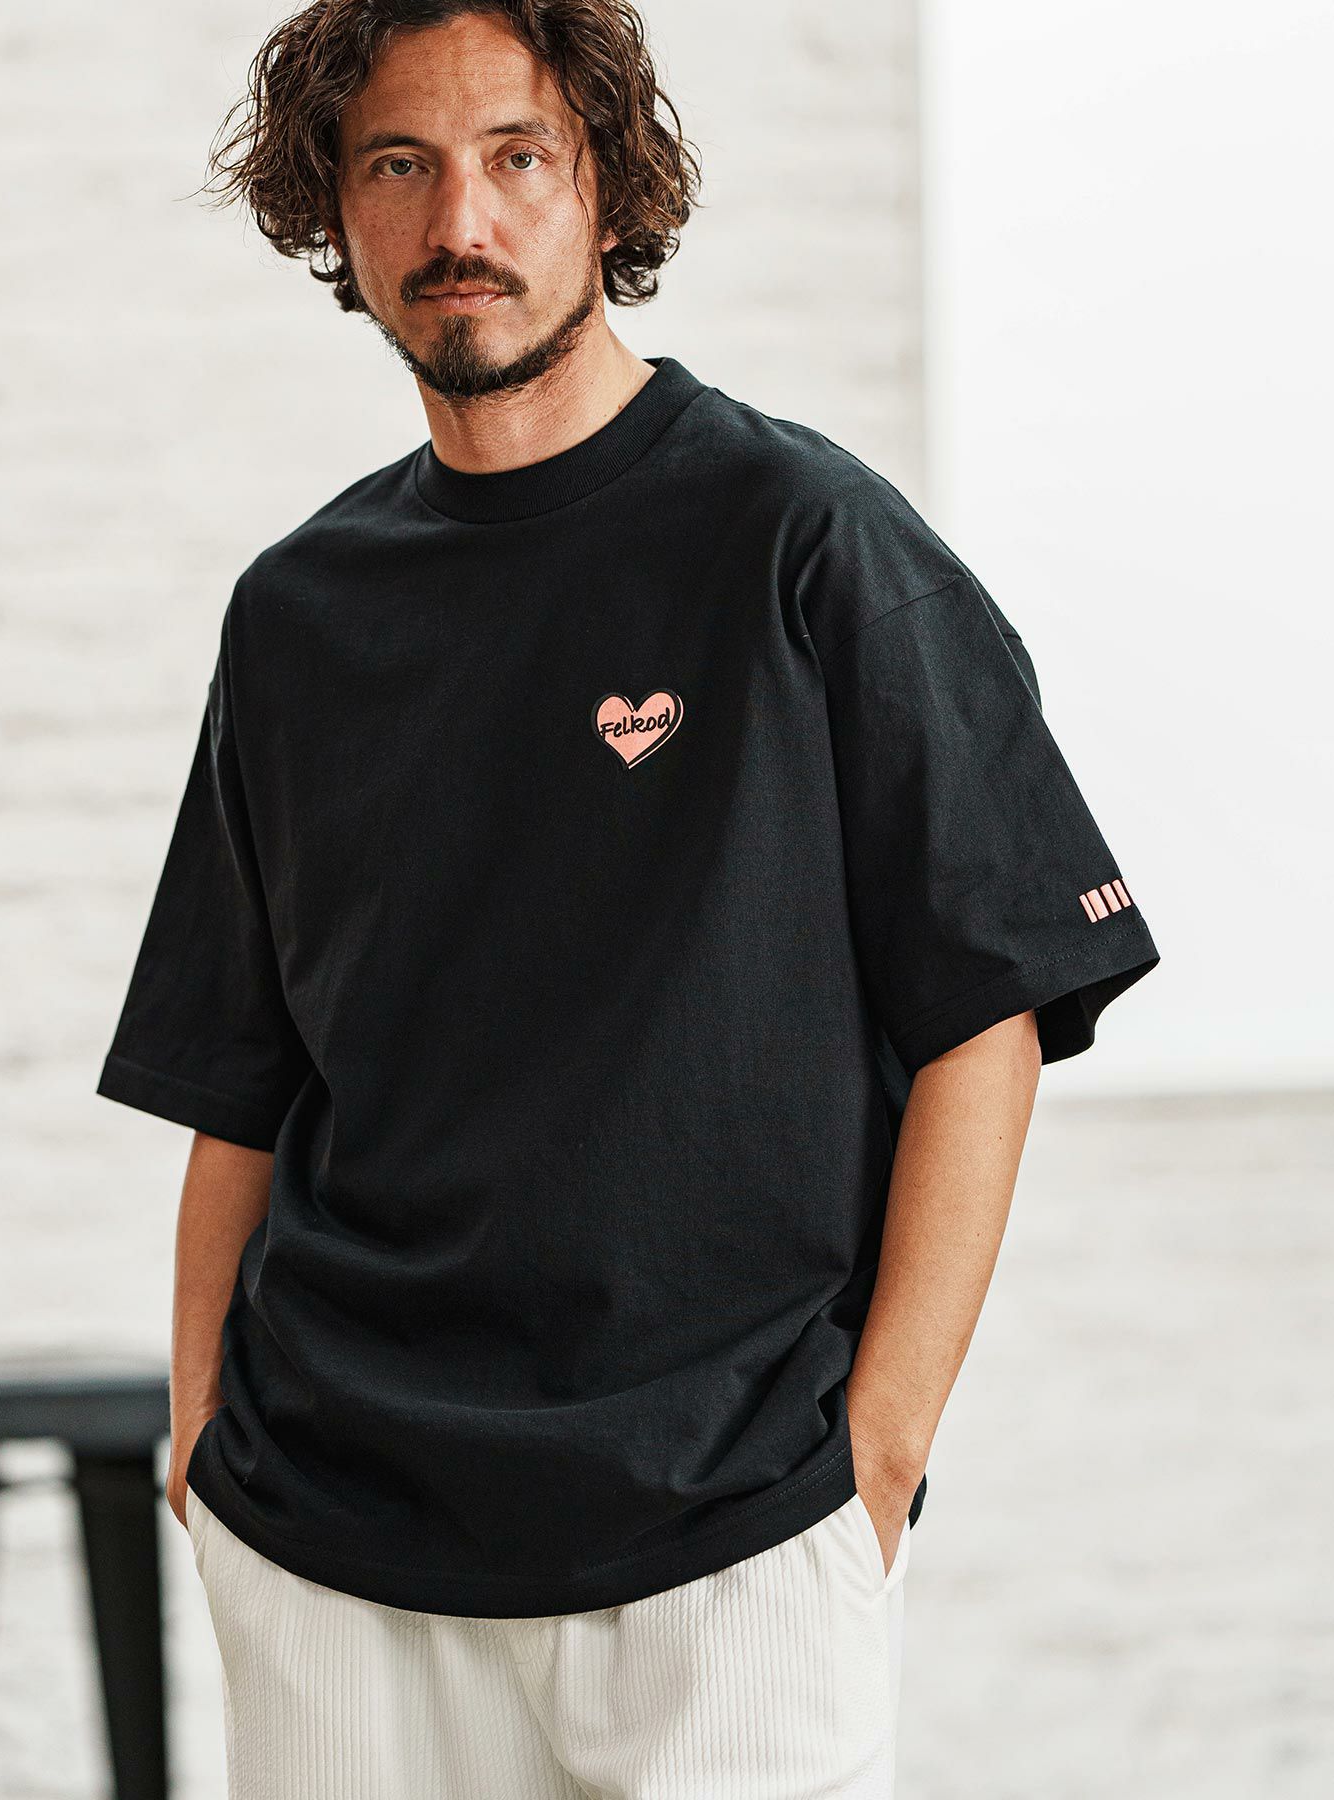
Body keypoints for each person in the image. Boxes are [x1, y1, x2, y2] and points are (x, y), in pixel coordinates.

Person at [95, 2, 1162, 1794]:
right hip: (337, 1550)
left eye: (517, 156)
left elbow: (991, 1008)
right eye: (399, 165)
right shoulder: (298, 614)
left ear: (607, 184)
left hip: (731, 1543)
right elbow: (242, 1085)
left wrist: (877, 1454)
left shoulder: (807, 540)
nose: (462, 221)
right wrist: (199, 1440)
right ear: (333, 208)